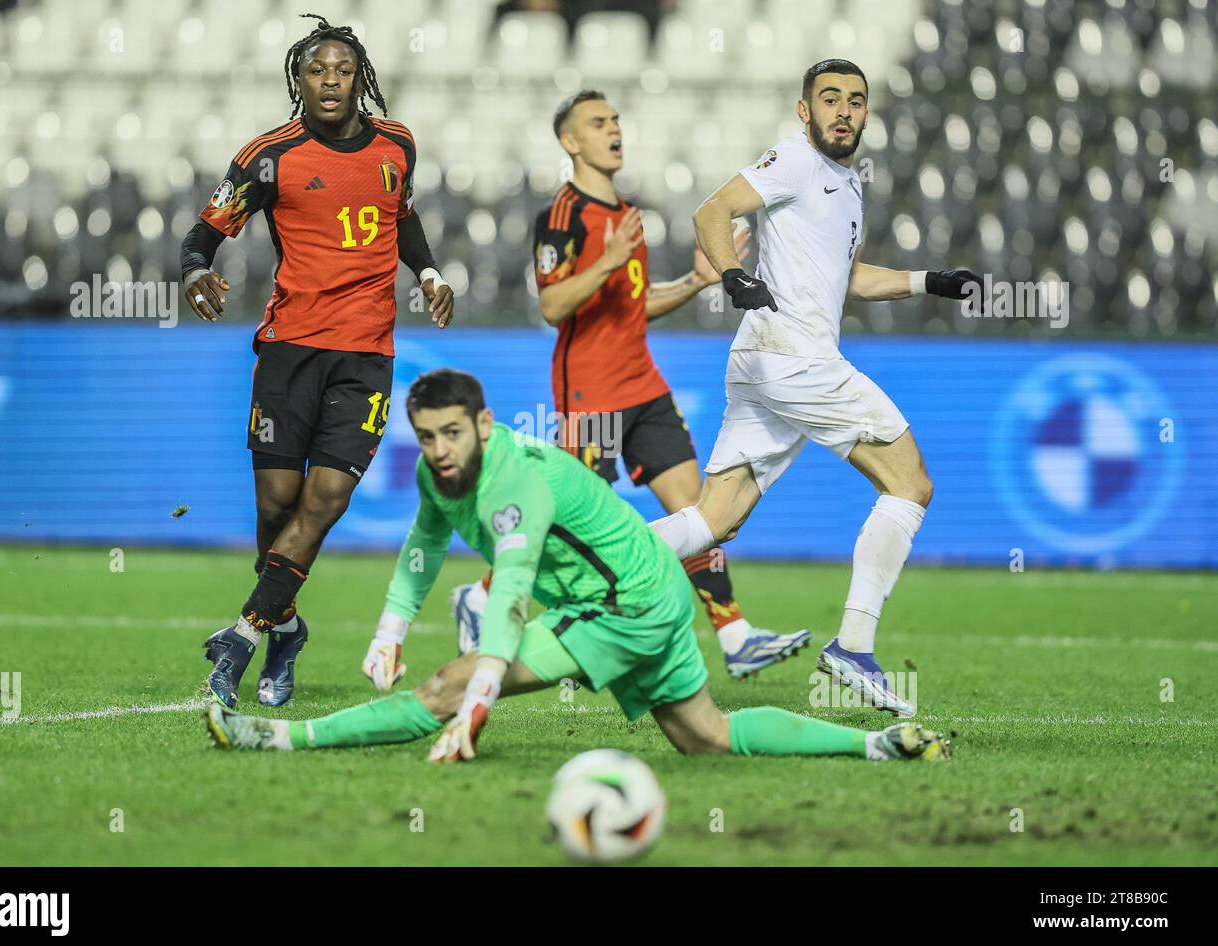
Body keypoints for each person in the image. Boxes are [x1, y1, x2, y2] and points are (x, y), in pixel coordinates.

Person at [205, 369, 951, 766]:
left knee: (445, 688)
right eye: (427, 437)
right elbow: (424, 545)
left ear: (485, 426)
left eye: (454, 434)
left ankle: (277, 739)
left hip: (622, 607)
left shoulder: (517, 483)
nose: (440, 451)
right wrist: (392, 625)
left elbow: (512, 599)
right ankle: (876, 746)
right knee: (705, 737)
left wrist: (479, 702)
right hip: (642, 597)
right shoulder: (442, 476)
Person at [649, 59, 983, 715]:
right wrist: (731, 276)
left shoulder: (847, 184)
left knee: (716, 519)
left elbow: (853, 279)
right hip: (794, 356)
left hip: (765, 362)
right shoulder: (796, 162)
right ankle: (854, 647)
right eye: (829, 99)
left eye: (856, 101)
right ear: (805, 111)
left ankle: (598, 566)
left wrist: (929, 281)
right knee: (910, 485)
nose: (843, 111)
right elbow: (713, 210)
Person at [451, 90, 808, 681]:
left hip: (644, 387)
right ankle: (483, 597)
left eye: (615, 120)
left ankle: (736, 634)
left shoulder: (625, 213)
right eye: (597, 123)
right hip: (590, 393)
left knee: (699, 511)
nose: (613, 129)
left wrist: (694, 283)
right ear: (570, 142)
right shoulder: (563, 216)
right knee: (566, 522)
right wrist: (607, 262)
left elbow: (633, 307)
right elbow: (552, 305)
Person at [180, 14, 454, 708]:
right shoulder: (270, 157)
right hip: (290, 349)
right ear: (298, 81)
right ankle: (286, 631)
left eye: (342, 70)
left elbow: (403, 217)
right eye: (316, 71)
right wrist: (192, 272)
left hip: (365, 355)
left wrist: (426, 274)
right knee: (276, 508)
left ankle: (244, 634)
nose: (330, 81)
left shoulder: (398, 144)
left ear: (361, 77)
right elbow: (204, 233)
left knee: (325, 500)